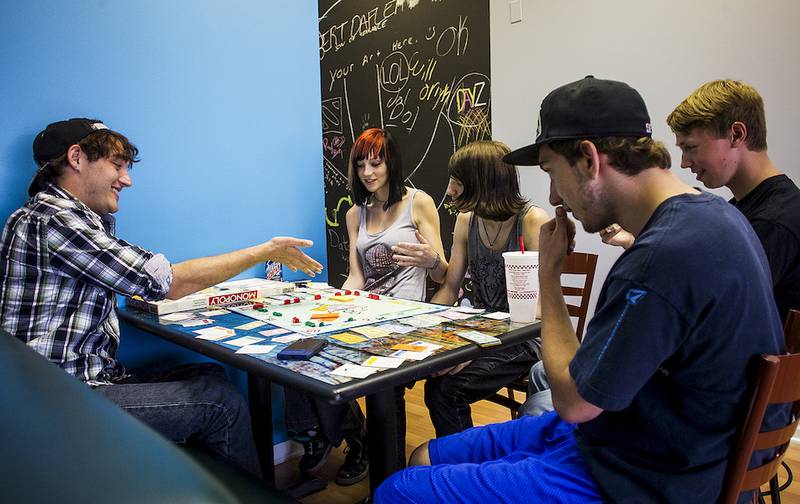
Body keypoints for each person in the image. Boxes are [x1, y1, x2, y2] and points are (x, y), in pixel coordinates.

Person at [375, 76, 786, 503]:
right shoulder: (714, 215)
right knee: (424, 455)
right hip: (629, 435)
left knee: (398, 491)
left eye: (553, 173)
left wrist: (549, 278)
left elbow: (574, 403)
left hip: (645, 476)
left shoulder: (660, 256)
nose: (554, 195)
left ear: (589, 159)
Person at [0, 118, 323, 476]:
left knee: (210, 374)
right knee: (221, 404)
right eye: (117, 165)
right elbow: (166, 283)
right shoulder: (55, 220)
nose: (127, 179)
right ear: (77, 158)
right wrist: (264, 251)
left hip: (79, 381)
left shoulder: (59, 218)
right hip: (63, 400)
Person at [284, 127, 447, 485]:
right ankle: (357, 439)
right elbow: (357, 278)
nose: (368, 172)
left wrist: (430, 259)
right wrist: (332, 305)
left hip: (407, 320)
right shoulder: (355, 214)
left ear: (392, 163)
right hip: (366, 314)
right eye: (361, 165)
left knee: (380, 383)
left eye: (376, 163)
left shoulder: (419, 202)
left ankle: (392, 478)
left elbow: (443, 274)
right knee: (299, 357)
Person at [394, 140, 549, 437]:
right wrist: (421, 329)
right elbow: (450, 289)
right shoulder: (467, 220)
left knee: (444, 392)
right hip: (480, 332)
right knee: (414, 374)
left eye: (457, 181)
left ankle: (465, 471)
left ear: (481, 183)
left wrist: (473, 348)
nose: (450, 190)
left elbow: (540, 312)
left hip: (524, 338)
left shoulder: (532, 221)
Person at [668, 79, 800, 322]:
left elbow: (712, 311)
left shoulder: (774, 222)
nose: (684, 163)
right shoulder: (741, 211)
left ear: (736, 135)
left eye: (691, 147)